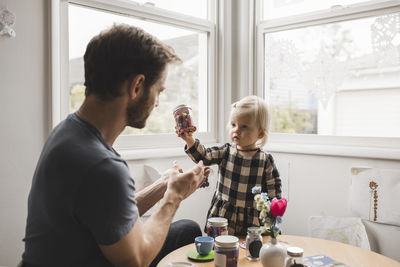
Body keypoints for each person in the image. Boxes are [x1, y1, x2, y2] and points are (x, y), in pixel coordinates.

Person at [22, 24, 210, 267]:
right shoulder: (102, 165)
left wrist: (163, 186)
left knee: (187, 230)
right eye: (158, 91)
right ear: (136, 86)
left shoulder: (69, 132)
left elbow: (106, 211)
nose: (157, 103)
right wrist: (174, 196)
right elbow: (136, 260)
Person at [178, 95, 282, 236]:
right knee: (220, 248)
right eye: (233, 125)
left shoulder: (265, 160)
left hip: (252, 219)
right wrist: (189, 140)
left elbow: (273, 191)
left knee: (249, 250)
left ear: (260, 133)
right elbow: (204, 156)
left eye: (244, 126)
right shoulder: (226, 152)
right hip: (224, 215)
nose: (236, 130)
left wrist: (271, 219)